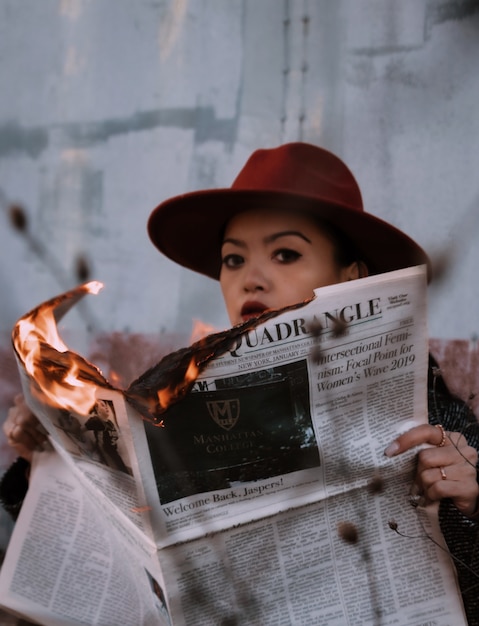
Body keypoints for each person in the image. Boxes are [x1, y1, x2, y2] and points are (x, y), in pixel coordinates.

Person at [2, 142, 479, 623]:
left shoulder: (428, 412)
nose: (251, 279)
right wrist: (43, 459)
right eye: (233, 260)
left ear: (351, 276)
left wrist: (471, 502)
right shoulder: (160, 395)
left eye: (286, 254)